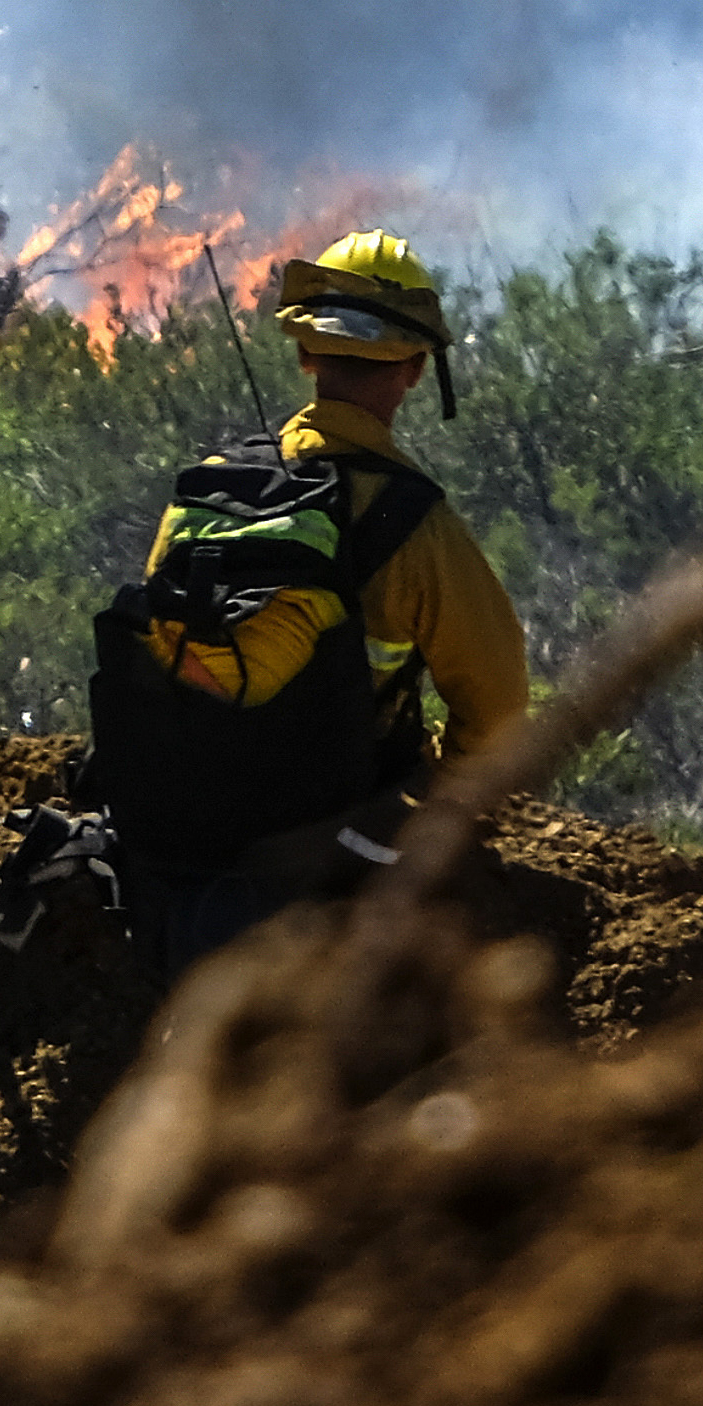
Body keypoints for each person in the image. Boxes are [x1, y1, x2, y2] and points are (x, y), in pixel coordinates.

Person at [97, 227, 528, 979]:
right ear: (415, 370)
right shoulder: (417, 525)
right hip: (336, 833)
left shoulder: (207, 492)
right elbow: (499, 710)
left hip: (186, 821)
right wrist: (437, 800)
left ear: (304, 353)